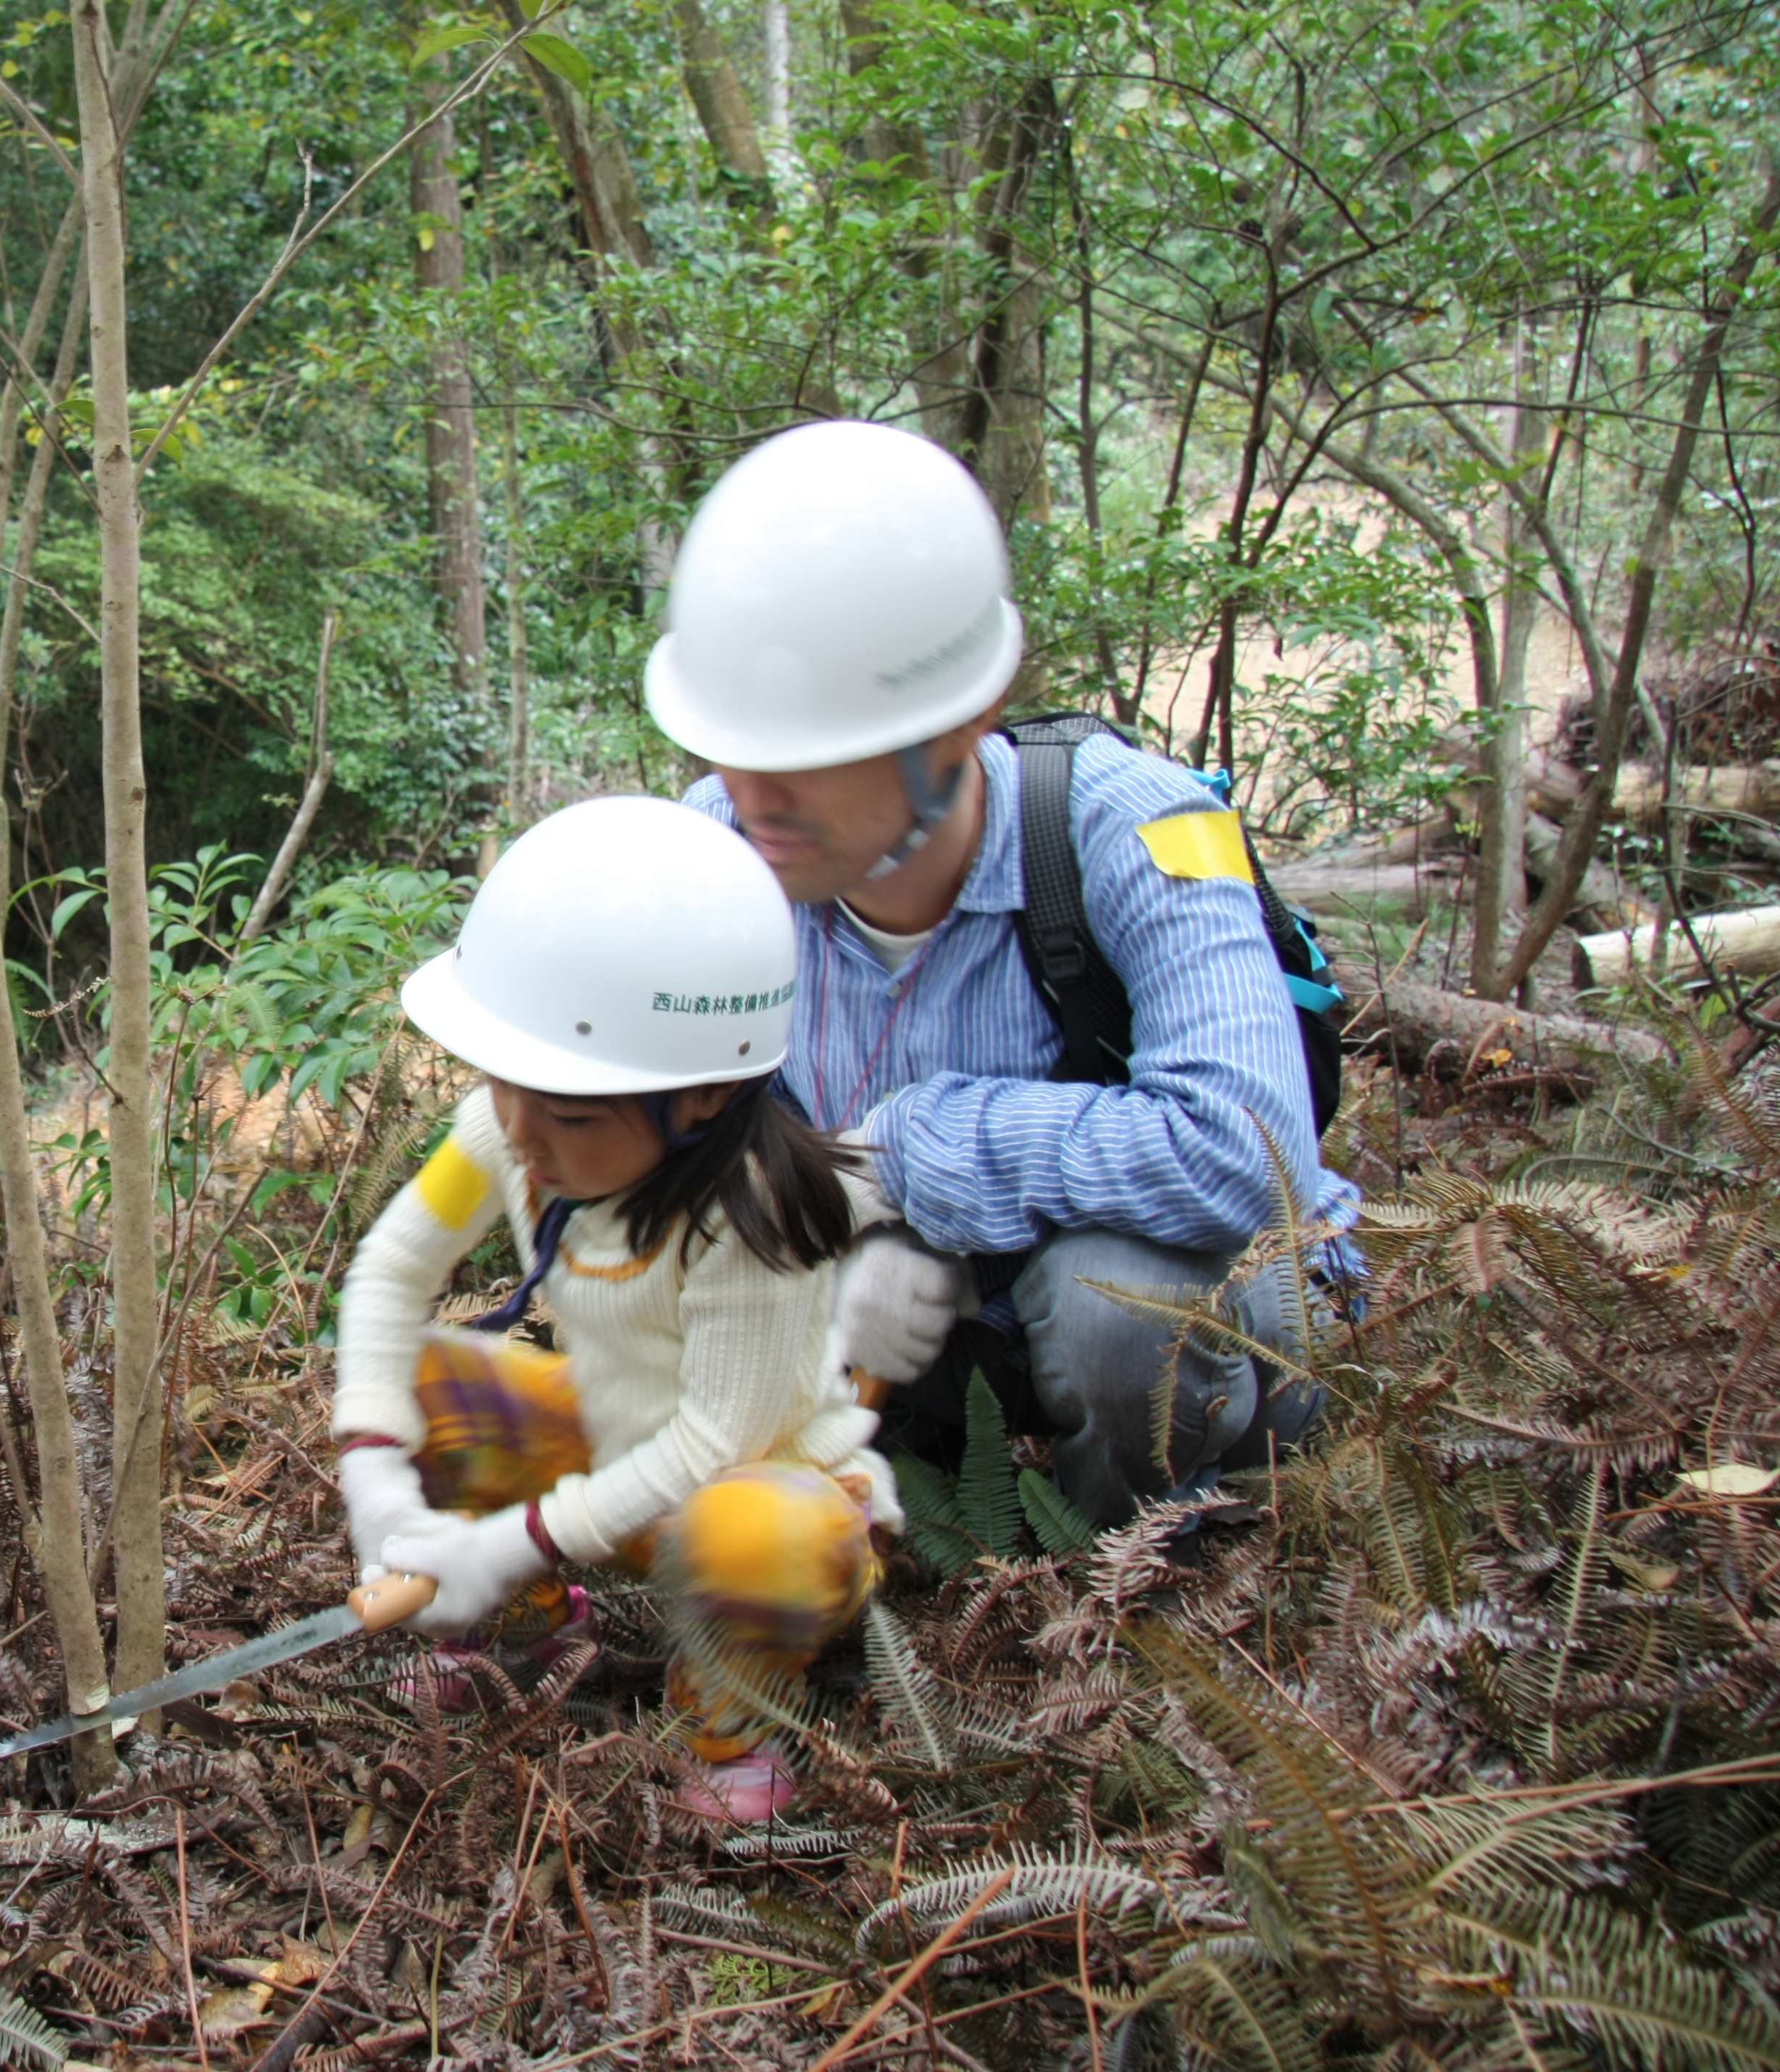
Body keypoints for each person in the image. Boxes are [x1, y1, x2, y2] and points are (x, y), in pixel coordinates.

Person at [647, 419, 1346, 1526]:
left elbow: (1255, 1163)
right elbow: (664, 1141)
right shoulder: (721, 851)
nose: (758, 795)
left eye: (816, 751)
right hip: (923, 1330)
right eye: (735, 741)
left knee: (1119, 1299)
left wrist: (911, 1158)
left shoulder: (1134, 832)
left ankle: (1140, 1589)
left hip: (1204, 1318)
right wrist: (835, 1241)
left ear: (965, 720)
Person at [331, 794, 893, 1822]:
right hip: (602, 1448)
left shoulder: (757, 1221)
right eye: (503, 1086)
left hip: (757, 1493)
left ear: (706, 1096)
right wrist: (375, 1475)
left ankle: (732, 1717)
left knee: (751, 1526)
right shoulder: (509, 1131)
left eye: (572, 1112)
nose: (523, 1135)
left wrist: (504, 1542)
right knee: (423, 1375)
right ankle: (525, 1633)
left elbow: (715, 1442)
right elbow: (392, 1271)